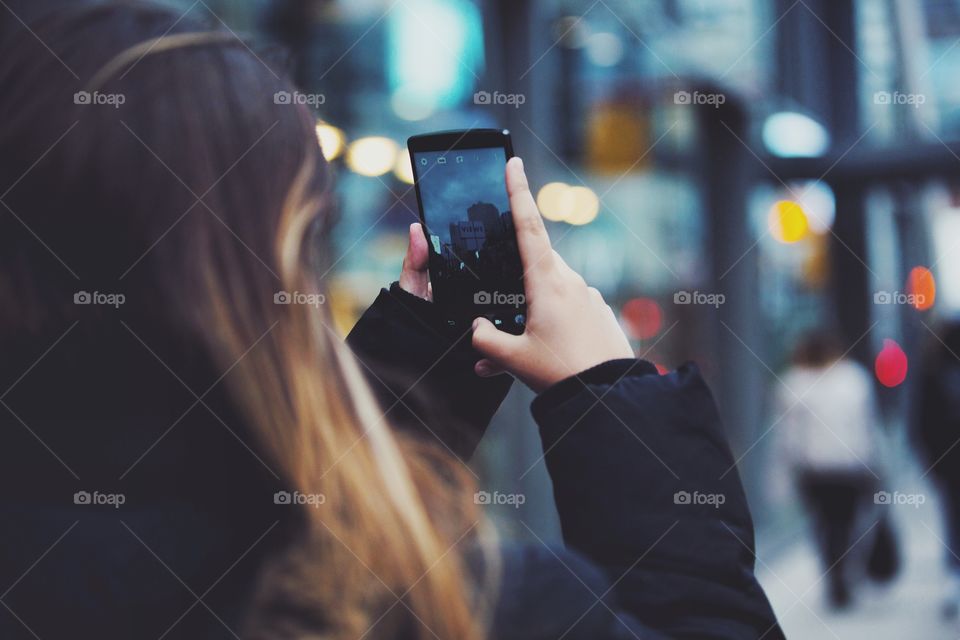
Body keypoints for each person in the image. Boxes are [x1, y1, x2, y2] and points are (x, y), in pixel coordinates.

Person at [0, 3, 784, 638]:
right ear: (255, 269)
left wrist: (414, 353)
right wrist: (609, 392)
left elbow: (224, 493)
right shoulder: (458, 610)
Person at [773, 331, 881, 609]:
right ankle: (842, 575)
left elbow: (788, 438)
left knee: (824, 525)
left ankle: (835, 576)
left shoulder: (794, 383)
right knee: (845, 524)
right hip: (849, 466)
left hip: (815, 470)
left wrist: (786, 474)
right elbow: (866, 426)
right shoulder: (854, 380)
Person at [914, 320, 960, 617]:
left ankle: (953, 579)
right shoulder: (932, 374)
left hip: (948, 466)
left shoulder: (931, 372)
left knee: (953, 521)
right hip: (948, 464)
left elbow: (920, 423)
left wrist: (932, 463)